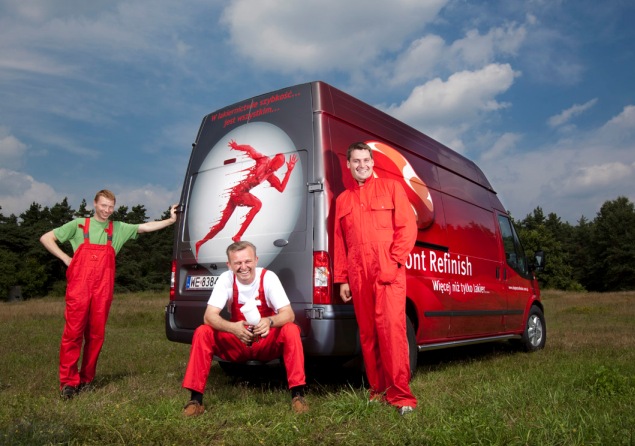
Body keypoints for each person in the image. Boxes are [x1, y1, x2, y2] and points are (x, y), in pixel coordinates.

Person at [40, 189, 178, 399]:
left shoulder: (118, 228)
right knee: (73, 334)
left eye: (111, 207)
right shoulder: (79, 225)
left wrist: (170, 220)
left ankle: (86, 379)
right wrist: (66, 258)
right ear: (95, 204)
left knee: (96, 335)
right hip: (79, 288)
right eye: (103, 205)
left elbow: (145, 227)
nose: (107, 210)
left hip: (103, 288)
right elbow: (46, 238)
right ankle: (68, 382)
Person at [333, 142, 418, 416]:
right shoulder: (342, 200)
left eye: (366, 160)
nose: (362, 165)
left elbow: (408, 227)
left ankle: (402, 396)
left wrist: (394, 261)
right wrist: (343, 279)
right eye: (356, 161)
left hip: (387, 270)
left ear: (372, 162)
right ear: (348, 165)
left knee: (392, 331)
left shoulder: (392, 188)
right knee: (369, 335)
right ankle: (378, 391)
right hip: (358, 275)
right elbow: (339, 242)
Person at [181, 240, 308, 416]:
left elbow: (289, 314)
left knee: (291, 329)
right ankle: (195, 400)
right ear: (229, 265)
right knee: (203, 331)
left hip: (265, 342)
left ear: (256, 260)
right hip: (238, 342)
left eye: (247, 261)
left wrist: (269, 321)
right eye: (237, 263)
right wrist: (233, 328)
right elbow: (209, 316)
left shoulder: (268, 277)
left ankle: (298, 395)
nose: (243, 267)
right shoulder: (226, 279)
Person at [195, 139, 298, 258]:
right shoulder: (263, 160)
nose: (274, 170)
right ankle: (235, 236)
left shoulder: (270, 175)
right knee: (254, 206)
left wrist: (289, 171)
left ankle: (199, 243)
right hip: (237, 193)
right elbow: (249, 148)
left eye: (277, 169)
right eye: (275, 167)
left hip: (239, 194)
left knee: (222, 224)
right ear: (273, 160)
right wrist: (236, 146)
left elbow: (281, 188)